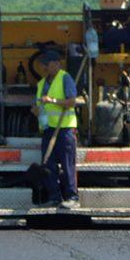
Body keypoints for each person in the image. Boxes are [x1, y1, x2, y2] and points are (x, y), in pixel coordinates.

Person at [32, 49, 80, 209]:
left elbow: (72, 102)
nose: (44, 67)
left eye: (47, 64)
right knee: (48, 165)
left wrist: (52, 100)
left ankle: (72, 197)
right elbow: (40, 105)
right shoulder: (41, 84)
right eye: (43, 64)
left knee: (67, 165)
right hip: (48, 129)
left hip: (64, 129)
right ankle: (54, 197)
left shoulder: (65, 78)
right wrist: (36, 110)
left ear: (57, 64)